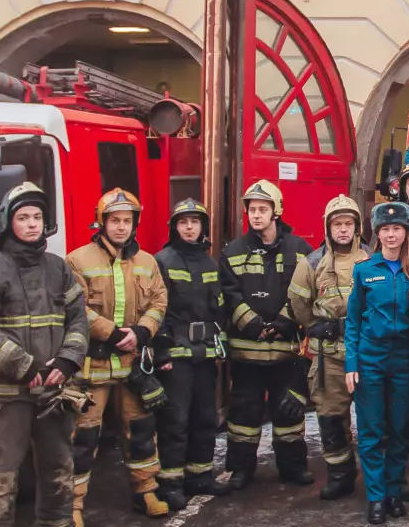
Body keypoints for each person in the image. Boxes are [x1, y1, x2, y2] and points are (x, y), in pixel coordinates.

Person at [0, 181, 93, 527]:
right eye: (23, 218)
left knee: (57, 463)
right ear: (9, 223)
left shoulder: (58, 269)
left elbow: (78, 319)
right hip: (7, 395)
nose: (32, 224)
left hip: (54, 389)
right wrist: (27, 366)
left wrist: (68, 362)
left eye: (37, 217)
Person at [67, 187, 173, 527]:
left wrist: (141, 332)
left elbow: (159, 302)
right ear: (101, 222)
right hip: (93, 366)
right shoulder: (77, 260)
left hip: (132, 367)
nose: (121, 227)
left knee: (141, 431)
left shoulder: (147, 262)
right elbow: (76, 309)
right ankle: (73, 505)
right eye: (114, 220)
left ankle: (146, 492)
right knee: (83, 438)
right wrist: (112, 334)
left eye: (127, 221)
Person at [219, 179, 315, 488]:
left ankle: (292, 467)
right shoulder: (232, 251)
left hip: (285, 352)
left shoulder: (300, 250)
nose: (256, 215)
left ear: (277, 212)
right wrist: (252, 324)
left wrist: (286, 321)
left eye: (263, 209)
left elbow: (305, 292)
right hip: (246, 352)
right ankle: (240, 469)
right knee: (243, 414)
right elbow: (228, 293)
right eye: (252, 210)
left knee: (288, 414)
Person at [345, 200, 409, 525]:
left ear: (406, 232)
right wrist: (352, 364)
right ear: (378, 234)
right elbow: (352, 322)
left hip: (405, 359)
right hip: (371, 358)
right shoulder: (365, 270)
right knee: (372, 430)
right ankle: (376, 497)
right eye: (385, 229)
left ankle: (393, 491)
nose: (391, 235)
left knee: (400, 429)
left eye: (397, 229)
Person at [152, 199, 233, 502]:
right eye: (183, 222)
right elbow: (155, 309)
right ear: (174, 227)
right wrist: (161, 351)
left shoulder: (210, 263)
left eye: (195, 222)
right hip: (176, 357)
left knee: (205, 417)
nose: (189, 227)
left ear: (203, 227)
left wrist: (221, 343)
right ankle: (170, 485)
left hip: (204, 356)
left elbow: (219, 311)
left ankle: (200, 477)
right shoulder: (162, 261)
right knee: (175, 421)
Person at [289, 194, 369, 501]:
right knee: (331, 418)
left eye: (349, 223)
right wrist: (314, 325)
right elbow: (298, 301)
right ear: (328, 227)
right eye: (338, 224)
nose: (344, 230)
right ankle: (340, 475)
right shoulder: (311, 263)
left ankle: (379, 476)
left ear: (357, 227)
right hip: (329, 357)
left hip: (365, 355)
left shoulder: (371, 258)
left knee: (376, 419)